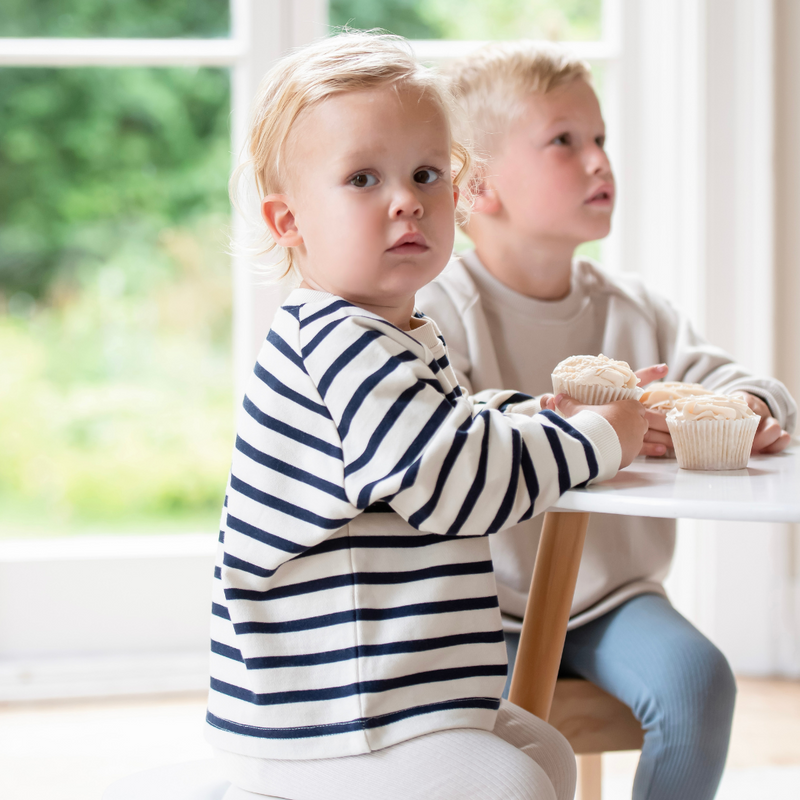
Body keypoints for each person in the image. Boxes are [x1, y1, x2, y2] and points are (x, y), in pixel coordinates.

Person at [205, 31, 651, 800]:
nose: (406, 198)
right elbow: (446, 481)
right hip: (335, 712)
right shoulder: (344, 344)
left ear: (460, 191)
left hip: (400, 695)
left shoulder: (388, 333)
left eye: (425, 174)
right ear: (289, 223)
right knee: (513, 782)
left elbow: (447, 425)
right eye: (363, 179)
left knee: (547, 756)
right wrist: (592, 441)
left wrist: (537, 415)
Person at [416, 41, 797, 800]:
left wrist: (747, 411)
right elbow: (445, 426)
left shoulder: (635, 311)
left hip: (615, 601)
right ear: (479, 187)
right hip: (478, 606)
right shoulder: (438, 310)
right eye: (565, 141)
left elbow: (753, 385)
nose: (599, 161)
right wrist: (571, 423)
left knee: (699, 687)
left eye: (601, 140)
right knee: (471, 749)